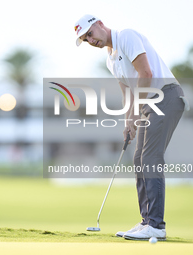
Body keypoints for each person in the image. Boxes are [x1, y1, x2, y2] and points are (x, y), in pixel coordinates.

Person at [74, 14, 188, 240]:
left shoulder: (126, 36)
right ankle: (147, 221)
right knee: (139, 159)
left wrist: (136, 112)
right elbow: (127, 91)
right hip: (149, 104)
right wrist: (129, 120)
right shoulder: (110, 59)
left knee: (151, 158)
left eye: (90, 33)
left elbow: (146, 74)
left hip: (166, 96)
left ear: (99, 24)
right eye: (86, 39)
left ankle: (156, 225)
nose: (90, 40)